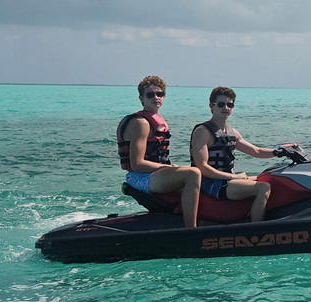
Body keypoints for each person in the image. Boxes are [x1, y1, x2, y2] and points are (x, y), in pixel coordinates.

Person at [190, 86, 286, 223]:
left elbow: (256, 151)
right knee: (263, 187)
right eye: (221, 104)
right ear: (211, 106)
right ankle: (257, 229)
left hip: (227, 181)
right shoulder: (203, 131)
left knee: (271, 178)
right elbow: (202, 168)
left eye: (230, 104)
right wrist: (234, 176)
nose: (226, 108)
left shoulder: (232, 133)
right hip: (211, 184)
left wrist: (279, 152)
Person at [116, 76, 202, 228]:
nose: (155, 97)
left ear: (164, 96)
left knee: (200, 173)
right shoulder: (141, 123)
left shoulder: (156, 119)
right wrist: (169, 168)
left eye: (159, 94)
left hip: (154, 175)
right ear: (141, 98)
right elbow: (137, 164)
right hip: (140, 178)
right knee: (193, 174)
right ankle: (191, 229)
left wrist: (171, 167)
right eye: (150, 95)